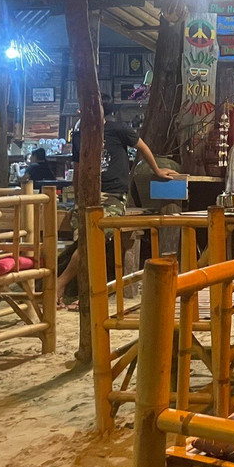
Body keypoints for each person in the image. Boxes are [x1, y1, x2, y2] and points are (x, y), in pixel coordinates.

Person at [57, 95, 173, 308]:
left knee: (94, 238)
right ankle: (81, 291)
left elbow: (142, 147)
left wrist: (157, 170)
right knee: (85, 240)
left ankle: (63, 285)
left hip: (113, 195)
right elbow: (77, 168)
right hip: (89, 195)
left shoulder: (118, 129)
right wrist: (77, 196)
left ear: (103, 111)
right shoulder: (80, 135)